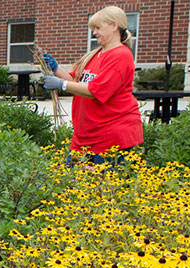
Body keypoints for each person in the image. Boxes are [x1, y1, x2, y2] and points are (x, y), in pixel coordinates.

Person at [40, 5, 143, 166]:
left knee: (103, 187)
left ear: (114, 26)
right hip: (85, 136)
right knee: (71, 180)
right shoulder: (95, 54)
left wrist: (61, 84)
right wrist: (56, 69)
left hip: (110, 136)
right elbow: (77, 82)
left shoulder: (121, 55)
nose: (94, 32)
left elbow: (96, 91)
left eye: (98, 28)